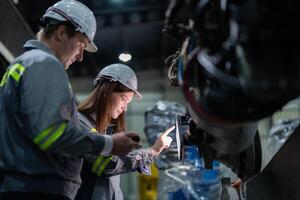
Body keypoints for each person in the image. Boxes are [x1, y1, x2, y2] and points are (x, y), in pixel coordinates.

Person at [0, 1, 140, 200]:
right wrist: (109, 144)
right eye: (81, 44)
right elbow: (52, 133)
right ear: (62, 32)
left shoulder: (20, 64)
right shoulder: (44, 63)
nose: (81, 56)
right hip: (39, 189)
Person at [74, 63, 175, 200]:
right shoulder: (80, 123)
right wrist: (152, 151)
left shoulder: (107, 130)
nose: (125, 108)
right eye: (123, 99)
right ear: (106, 92)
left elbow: (120, 163)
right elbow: (107, 165)